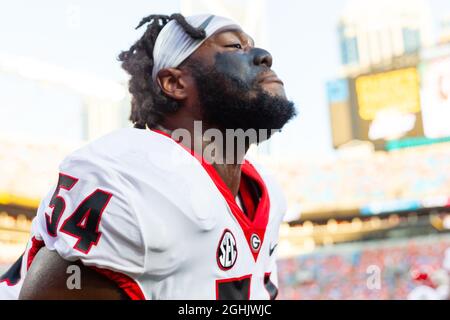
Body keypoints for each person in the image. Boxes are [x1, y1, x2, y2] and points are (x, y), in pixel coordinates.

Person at [0, 13, 296, 299]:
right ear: (175, 83)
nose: (264, 55)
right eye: (234, 46)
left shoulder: (266, 194)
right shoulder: (132, 177)